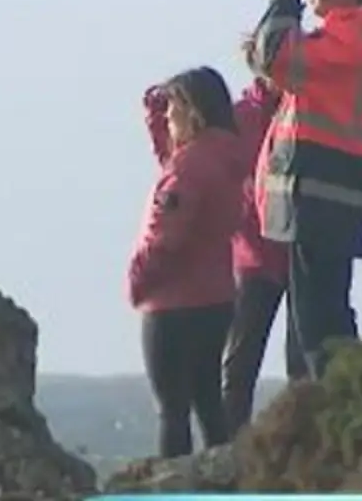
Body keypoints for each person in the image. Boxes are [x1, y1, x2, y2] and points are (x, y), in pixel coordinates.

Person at [246, 0, 362, 379]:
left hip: (322, 188)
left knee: (319, 318)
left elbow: (272, 57)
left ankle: (345, 393)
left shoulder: (351, 38)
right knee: (315, 310)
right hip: (337, 186)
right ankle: (322, 398)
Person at [131, 66, 243, 458]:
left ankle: (174, 487)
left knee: (172, 411)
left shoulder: (189, 167)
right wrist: (155, 120)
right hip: (216, 296)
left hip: (173, 303)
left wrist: (139, 278)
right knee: (209, 402)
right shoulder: (227, 157)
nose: (168, 116)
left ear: (192, 112)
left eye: (173, 108)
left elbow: (168, 231)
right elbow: (176, 162)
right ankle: (226, 483)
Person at [221, 76, 306, 437]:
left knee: (302, 363)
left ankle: (298, 445)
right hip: (255, 255)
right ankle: (229, 446)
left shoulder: (310, 106)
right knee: (240, 362)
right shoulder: (241, 117)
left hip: (301, 249)